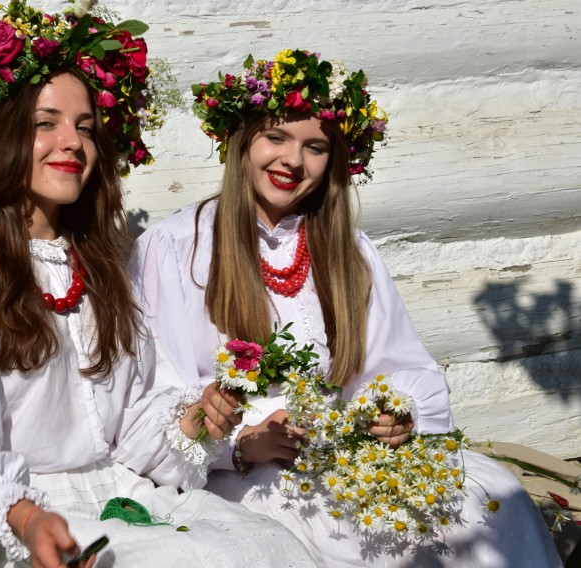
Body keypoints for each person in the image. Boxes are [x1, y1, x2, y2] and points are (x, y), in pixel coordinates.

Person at [0, 4, 318, 567]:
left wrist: (198, 419)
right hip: (30, 525)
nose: (72, 142)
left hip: (126, 497)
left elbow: (135, 422)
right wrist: (28, 519)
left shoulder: (102, 273)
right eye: (45, 123)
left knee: (270, 550)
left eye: (86, 128)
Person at [129, 48, 563, 567]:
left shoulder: (347, 250)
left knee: (486, 502)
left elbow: (398, 366)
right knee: (367, 537)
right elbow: (154, 396)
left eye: (314, 147)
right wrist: (243, 443)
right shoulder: (179, 247)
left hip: (344, 453)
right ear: (241, 141)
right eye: (276, 137)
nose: (293, 160)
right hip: (244, 472)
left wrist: (394, 416)